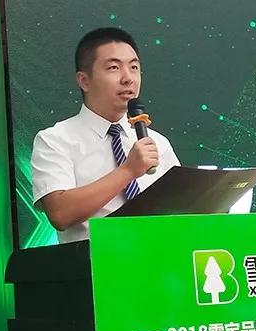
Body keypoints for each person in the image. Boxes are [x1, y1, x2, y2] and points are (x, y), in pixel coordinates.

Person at [31, 27, 180, 242]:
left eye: (134, 67)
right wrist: (128, 170)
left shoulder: (156, 142)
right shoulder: (55, 140)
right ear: (84, 81)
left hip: (157, 258)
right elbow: (60, 214)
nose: (128, 78)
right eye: (113, 68)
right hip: (91, 261)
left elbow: (184, 211)